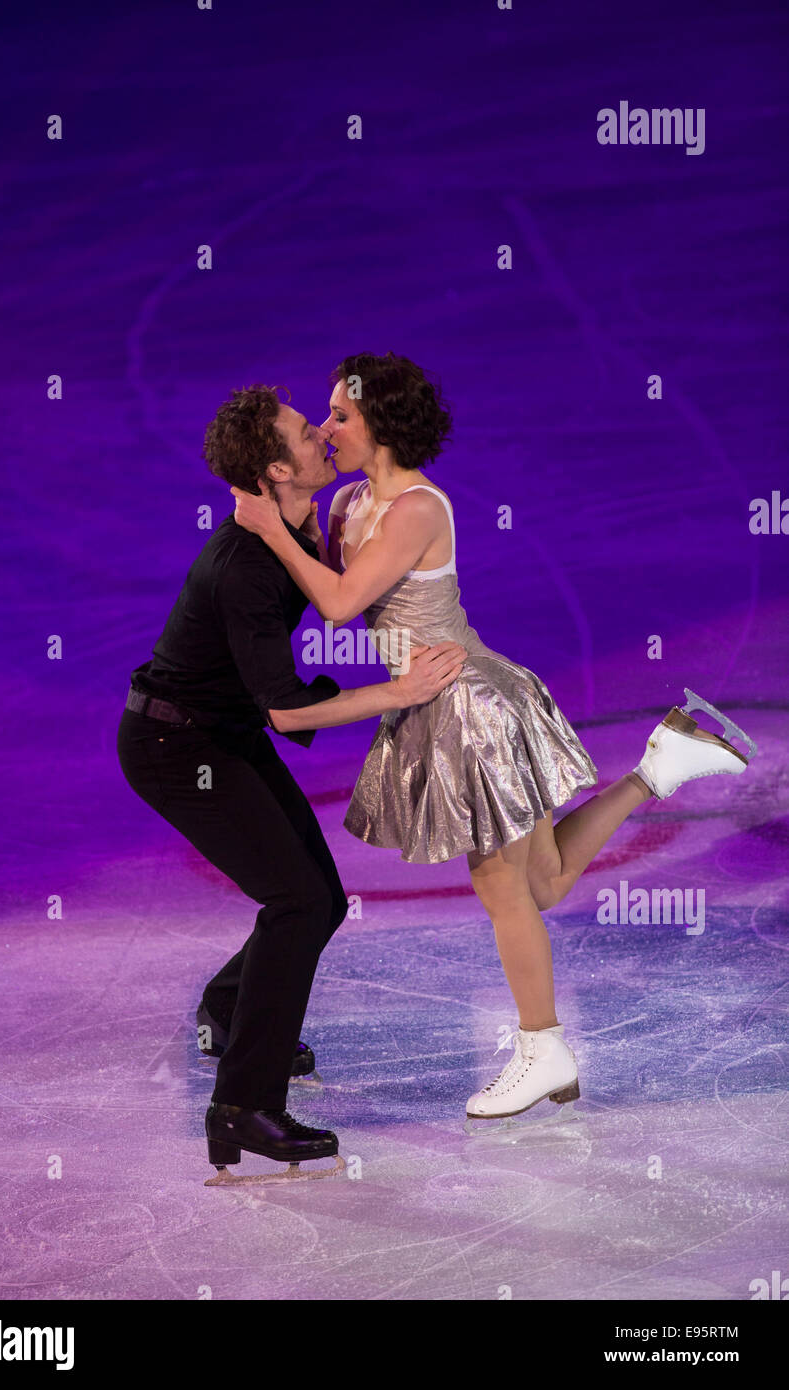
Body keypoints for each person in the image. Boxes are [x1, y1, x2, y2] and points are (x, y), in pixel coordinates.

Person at [230, 352, 757, 1123]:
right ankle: (658, 766)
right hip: (434, 703)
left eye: (341, 415)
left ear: (379, 423)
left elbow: (340, 602)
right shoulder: (349, 504)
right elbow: (320, 567)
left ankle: (543, 1048)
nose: (329, 428)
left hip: (470, 707)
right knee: (538, 882)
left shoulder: (418, 509)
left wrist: (271, 531)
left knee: (501, 884)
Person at [116, 383, 466, 1182]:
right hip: (176, 745)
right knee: (300, 903)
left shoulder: (303, 519)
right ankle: (243, 1105)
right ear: (278, 469)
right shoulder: (245, 563)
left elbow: (339, 597)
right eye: (311, 431)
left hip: (222, 730)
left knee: (319, 900)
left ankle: (230, 1008)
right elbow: (283, 709)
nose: (324, 434)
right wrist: (400, 695)